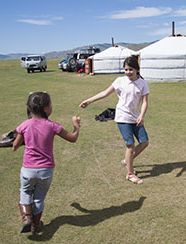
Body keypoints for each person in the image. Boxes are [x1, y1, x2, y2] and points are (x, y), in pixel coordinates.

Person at [13, 91, 81, 234]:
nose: (52, 107)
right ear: (45, 109)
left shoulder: (24, 125)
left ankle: (26, 218)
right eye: (50, 104)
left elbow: (15, 146)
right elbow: (73, 138)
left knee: (25, 191)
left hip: (28, 168)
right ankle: (35, 225)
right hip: (46, 169)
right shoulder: (53, 126)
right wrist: (76, 125)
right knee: (39, 197)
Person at [79, 56, 149, 184]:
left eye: (131, 69)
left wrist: (142, 115)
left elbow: (145, 102)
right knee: (130, 146)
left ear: (137, 70)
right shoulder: (120, 81)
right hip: (122, 117)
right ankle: (130, 173)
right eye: (126, 69)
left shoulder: (143, 83)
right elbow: (105, 93)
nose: (128, 72)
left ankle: (127, 160)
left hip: (136, 117)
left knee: (144, 142)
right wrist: (88, 101)